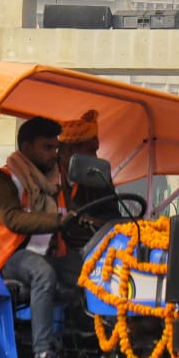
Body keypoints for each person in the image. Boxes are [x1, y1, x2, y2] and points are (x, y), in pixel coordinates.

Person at [0, 116, 83, 358]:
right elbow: (14, 219)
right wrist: (58, 221)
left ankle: (91, 344)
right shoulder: (3, 179)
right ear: (27, 146)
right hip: (4, 258)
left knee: (90, 269)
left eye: (56, 148)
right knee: (42, 273)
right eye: (48, 147)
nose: (54, 154)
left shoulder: (56, 184)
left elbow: (71, 218)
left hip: (44, 254)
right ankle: (43, 356)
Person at [57, 109, 119, 254]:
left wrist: (91, 220)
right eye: (91, 150)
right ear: (69, 151)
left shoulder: (98, 174)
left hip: (90, 250)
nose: (95, 156)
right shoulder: (47, 173)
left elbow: (112, 217)